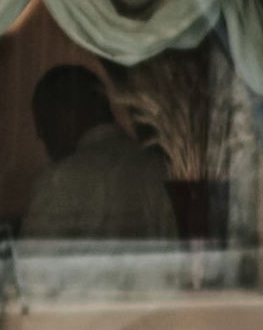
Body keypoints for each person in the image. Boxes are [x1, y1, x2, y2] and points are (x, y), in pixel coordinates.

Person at [19, 62, 177, 245]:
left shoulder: (60, 180)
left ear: (63, 114)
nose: (41, 136)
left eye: (44, 123)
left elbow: (34, 267)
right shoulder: (160, 169)